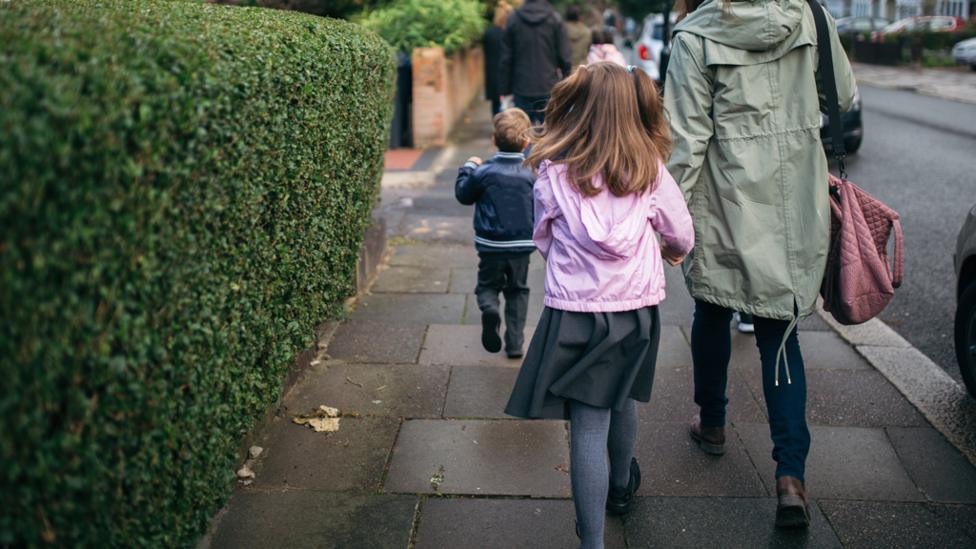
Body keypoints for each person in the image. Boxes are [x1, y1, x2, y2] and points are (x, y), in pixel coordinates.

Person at [664, 0, 855, 529]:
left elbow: (684, 141)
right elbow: (841, 97)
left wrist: (665, 223)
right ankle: (790, 477)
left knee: (711, 308)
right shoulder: (812, 17)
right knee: (780, 332)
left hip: (725, 201)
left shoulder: (695, 36)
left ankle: (714, 422)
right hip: (797, 199)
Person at [506, 63, 694, 549]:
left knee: (588, 423)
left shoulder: (553, 172)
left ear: (578, 108)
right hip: (634, 309)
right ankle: (620, 488)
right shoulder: (651, 169)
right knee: (624, 396)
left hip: (573, 313)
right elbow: (682, 235)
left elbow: (543, 239)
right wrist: (667, 250)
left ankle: (592, 541)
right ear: (633, 109)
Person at [455, 108, 535, 358]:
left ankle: (490, 308)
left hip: (490, 244)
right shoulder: (532, 173)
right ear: (526, 142)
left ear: (493, 140)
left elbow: (463, 195)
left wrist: (468, 167)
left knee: (487, 286)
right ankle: (514, 344)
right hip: (522, 244)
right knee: (517, 290)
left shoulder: (484, 172)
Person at [499, 0, 572, 125]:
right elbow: (564, 56)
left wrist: (504, 89)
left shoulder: (514, 19)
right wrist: (566, 82)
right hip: (549, 86)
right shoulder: (554, 18)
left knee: (522, 135)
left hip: (522, 87)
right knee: (551, 134)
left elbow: (506, 58)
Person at [484, 2, 514, 116]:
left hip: (493, 76)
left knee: (496, 110)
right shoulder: (511, 33)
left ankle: (498, 131)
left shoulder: (489, 33)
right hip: (508, 77)